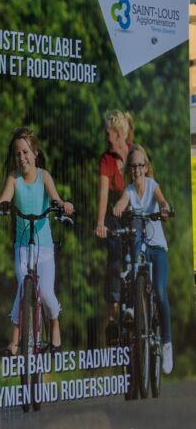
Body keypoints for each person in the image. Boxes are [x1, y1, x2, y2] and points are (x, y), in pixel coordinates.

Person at [0, 128, 74, 355]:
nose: (22, 157)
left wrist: (62, 204)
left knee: (47, 293)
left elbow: (55, 197)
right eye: (18, 154)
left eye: (26, 152)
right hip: (22, 246)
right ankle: (14, 342)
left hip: (44, 247)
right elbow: (6, 197)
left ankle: (55, 324)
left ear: (35, 153)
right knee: (23, 287)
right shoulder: (13, 177)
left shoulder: (44, 176)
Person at [112, 144, 173, 374]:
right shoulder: (128, 190)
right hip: (142, 248)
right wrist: (118, 207)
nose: (137, 170)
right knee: (132, 253)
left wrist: (165, 208)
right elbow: (121, 202)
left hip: (157, 248)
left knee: (159, 291)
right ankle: (133, 307)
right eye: (133, 166)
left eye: (141, 165)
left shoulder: (152, 186)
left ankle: (166, 343)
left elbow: (162, 200)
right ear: (129, 169)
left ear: (146, 167)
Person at [94, 110, 134, 343]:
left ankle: (138, 304)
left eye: (107, 133)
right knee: (115, 261)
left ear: (118, 134)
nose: (105, 137)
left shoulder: (135, 154)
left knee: (139, 258)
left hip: (136, 215)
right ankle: (112, 319)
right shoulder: (106, 160)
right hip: (115, 219)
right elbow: (103, 193)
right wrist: (100, 222)